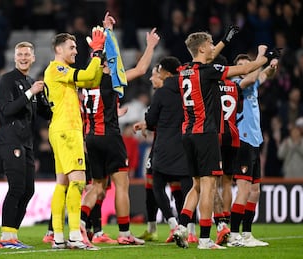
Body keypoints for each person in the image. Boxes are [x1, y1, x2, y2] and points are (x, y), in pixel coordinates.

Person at [172, 31, 274, 250]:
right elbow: (246, 69)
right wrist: (265, 58)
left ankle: (181, 227)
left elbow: (206, 57)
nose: (212, 48)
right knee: (209, 186)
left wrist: (224, 40)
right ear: (201, 49)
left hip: (187, 133)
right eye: (209, 44)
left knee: (197, 184)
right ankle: (206, 239)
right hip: (206, 133)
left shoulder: (183, 70)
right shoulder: (210, 71)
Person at [79, 12, 159, 246]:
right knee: (121, 185)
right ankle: (124, 233)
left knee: (97, 185)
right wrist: (150, 46)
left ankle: (81, 226)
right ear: (106, 63)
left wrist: (114, 110)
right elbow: (142, 69)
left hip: (91, 137)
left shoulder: (84, 80)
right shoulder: (111, 79)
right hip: (110, 137)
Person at [43, 26, 106, 250]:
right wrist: (96, 53)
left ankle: (58, 237)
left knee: (62, 184)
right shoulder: (58, 68)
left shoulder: (60, 71)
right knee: (78, 182)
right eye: (71, 47)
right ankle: (75, 237)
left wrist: (98, 58)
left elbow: (91, 81)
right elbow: (88, 75)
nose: (75, 51)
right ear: (58, 49)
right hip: (67, 131)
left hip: (60, 130)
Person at [0, 41, 52, 249]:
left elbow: (45, 114)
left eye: (27, 54)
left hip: (26, 142)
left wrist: (46, 96)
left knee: (28, 190)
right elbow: (6, 110)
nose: (23, 57)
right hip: (10, 140)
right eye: (20, 54)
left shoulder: (31, 82)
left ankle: (12, 235)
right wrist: (30, 93)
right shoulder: (7, 80)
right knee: (17, 187)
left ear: (33, 58)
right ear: (14, 57)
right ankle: (5, 237)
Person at [133, 57, 195, 243]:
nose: (154, 77)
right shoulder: (187, 89)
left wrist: (147, 122)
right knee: (188, 189)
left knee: (155, 185)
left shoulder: (162, 93)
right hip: (186, 145)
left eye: (156, 72)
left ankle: (173, 224)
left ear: (165, 74)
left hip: (164, 147)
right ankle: (189, 230)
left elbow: (153, 120)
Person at [228, 51, 279, 247]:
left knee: (255, 190)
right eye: (240, 64)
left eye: (245, 64)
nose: (243, 67)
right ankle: (234, 235)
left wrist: (271, 65)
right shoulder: (234, 84)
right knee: (243, 189)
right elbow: (252, 77)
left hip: (255, 141)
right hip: (242, 140)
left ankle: (247, 234)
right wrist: (261, 59)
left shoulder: (254, 80)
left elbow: (265, 75)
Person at [211, 54, 242, 245]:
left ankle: (220, 223)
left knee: (212, 182)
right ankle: (227, 222)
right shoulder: (235, 86)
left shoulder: (211, 85)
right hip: (233, 136)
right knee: (228, 182)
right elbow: (237, 110)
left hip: (215, 136)